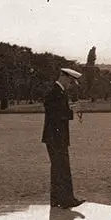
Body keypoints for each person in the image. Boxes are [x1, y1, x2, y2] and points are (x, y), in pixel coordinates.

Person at [42, 68, 85, 209]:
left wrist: (68, 109)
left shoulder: (58, 91)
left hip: (54, 136)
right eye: (70, 81)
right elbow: (55, 114)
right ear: (63, 77)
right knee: (62, 168)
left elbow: (55, 111)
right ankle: (67, 200)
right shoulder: (56, 92)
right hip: (56, 136)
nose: (70, 84)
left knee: (57, 168)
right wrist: (70, 111)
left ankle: (56, 200)